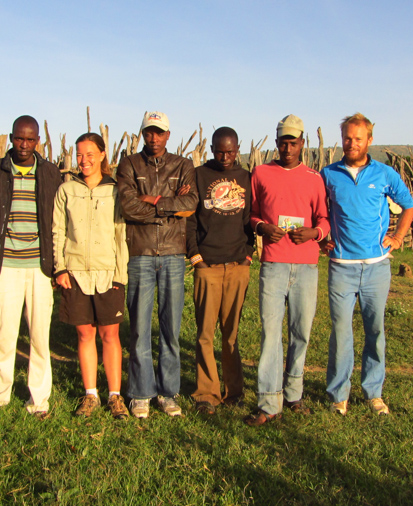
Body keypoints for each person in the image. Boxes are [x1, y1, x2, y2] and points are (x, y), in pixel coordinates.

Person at [322, 113, 413, 416]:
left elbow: (409, 204)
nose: (351, 144)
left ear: (369, 140)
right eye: (347, 138)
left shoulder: (385, 174)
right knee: (340, 332)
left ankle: (373, 392)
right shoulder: (328, 174)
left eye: (357, 139)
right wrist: (322, 238)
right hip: (341, 266)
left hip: (376, 266)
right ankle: (339, 394)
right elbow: (318, 211)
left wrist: (398, 237)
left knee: (375, 330)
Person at [0, 115, 61, 417]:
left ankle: (38, 401)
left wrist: (57, 266)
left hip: (39, 267)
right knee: (1, 334)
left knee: (39, 336)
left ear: (38, 141)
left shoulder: (50, 173)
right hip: (4, 266)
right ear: (11, 138)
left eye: (30, 139)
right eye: (19, 138)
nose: (24, 145)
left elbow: (59, 222)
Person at [246, 114, 330, 427]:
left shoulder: (313, 178)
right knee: (271, 333)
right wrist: (263, 227)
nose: (288, 148)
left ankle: (294, 394)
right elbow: (251, 214)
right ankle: (269, 401)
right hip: (274, 263)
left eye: (293, 142)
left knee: (301, 332)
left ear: (302, 144)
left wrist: (313, 234)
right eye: (283, 142)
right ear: (277, 142)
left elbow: (324, 219)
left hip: (306, 265)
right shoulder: (261, 173)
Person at [117, 111, 198, 418]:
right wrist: (168, 204)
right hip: (140, 253)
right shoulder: (129, 165)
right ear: (142, 134)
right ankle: (140, 392)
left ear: (168, 134)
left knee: (171, 327)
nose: (153, 138)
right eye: (148, 133)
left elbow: (190, 204)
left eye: (159, 133)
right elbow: (128, 206)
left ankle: (167, 391)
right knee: (138, 327)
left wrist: (152, 200)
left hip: (174, 254)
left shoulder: (183, 165)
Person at [53, 133, 130, 420]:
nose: (84, 160)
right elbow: (57, 231)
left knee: (110, 334)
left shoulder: (114, 191)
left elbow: (121, 233)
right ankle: (90, 394)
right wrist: (60, 268)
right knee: (85, 334)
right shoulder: (67, 190)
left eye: (89, 154)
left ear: (101, 155)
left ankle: (115, 395)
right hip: (75, 273)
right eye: (79, 155)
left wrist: (119, 275)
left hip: (107, 272)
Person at [186, 127, 254, 415]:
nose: (225, 156)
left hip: (238, 265)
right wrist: (195, 255)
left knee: (232, 333)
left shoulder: (246, 178)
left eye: (230, 151)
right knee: (205, 332)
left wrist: (249, 254)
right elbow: (189, 219)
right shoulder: (199, 176)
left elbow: (251, 217)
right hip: (208, 265)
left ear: (238, 148)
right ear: (211, 148)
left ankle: (234, 390)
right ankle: (206, 393)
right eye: (219, 151)